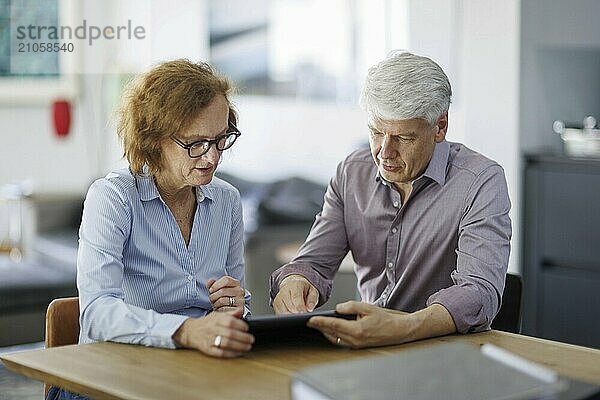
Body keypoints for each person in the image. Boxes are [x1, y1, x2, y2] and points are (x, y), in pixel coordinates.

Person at [270, 51, 512, 349]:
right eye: (376, 132)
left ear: (440, 127)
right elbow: (313, 263)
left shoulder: (481, 181)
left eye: (403, 138)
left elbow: (478, 292)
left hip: (445, 354)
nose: (384, 152)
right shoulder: (352, 173)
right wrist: (295, 283)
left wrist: (402, 327)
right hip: (367, 346)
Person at [47, 60, 254, 399]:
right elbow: (97, 313)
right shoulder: (113, 197)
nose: (213, 158)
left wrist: (233, 309)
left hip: (192, 372)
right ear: (153, 140)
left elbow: (237, 302)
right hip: (108, 375)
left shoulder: (227, 201)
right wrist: (186, 330)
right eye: (196, 144)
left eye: (220, 139)